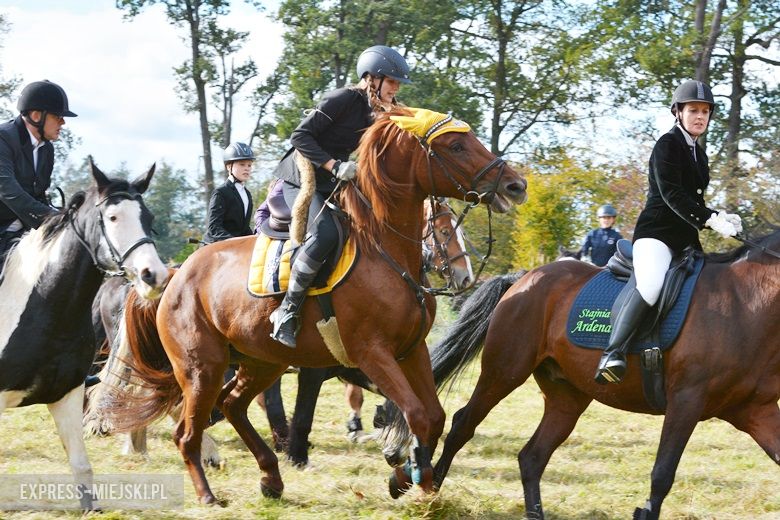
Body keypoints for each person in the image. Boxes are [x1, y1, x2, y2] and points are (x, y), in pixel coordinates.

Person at [594, 80, 742, 384]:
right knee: (649, 285)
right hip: (656, 234)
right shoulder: (667, 144)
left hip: (686, 241)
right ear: (678, 112)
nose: (700, 116)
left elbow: (694, 198)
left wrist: (720, 214)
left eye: (705, 112)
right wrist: (710, 219)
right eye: (694, 110)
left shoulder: (698, 154)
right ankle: (612, 352)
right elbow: (672, 194)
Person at [269, 44, 411, 348]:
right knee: (326, 235)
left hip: (336, 181)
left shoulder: (384, 111)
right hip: (302, 177)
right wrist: (334, 165)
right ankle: (287, 310)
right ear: (372, 78)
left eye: (398, 84)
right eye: (392, 81)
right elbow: (299, 136)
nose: (396, 88)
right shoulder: (344, 99)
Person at [0, 80, 76, 268]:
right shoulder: (3, 138)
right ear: (36, 115)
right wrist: (51, 216)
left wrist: (64, 216)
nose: (63, 122)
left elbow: (38, 195)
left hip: (22, 235)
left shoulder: (46, 150)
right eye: (58, 117)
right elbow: (8, 191)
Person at [203, 142, 255, 244]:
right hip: (217, 246)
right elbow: (214, 227)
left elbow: (243, 228)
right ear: (229, 167)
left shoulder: (247, 194)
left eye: (249, 165)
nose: (247, 168)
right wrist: (235, 242)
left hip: (237, 246)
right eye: (242, 164)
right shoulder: (220, 192)